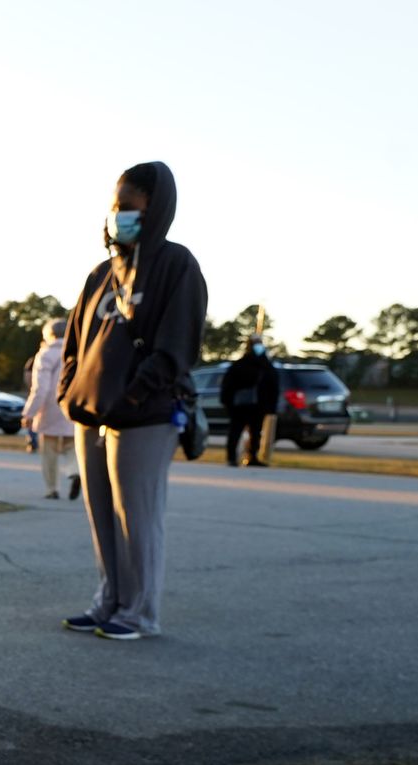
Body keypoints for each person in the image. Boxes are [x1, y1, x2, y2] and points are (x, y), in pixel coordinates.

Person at [58, 161, 207, 641]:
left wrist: (136, 394)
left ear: (155, 208)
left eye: (129, 206)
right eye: (114, 205)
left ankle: (139, 612)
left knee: (135, 518)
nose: (118, 214)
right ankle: (108, 602)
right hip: (91, 412)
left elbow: (177, 345)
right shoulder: (101, 273)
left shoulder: (175, 265)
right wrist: (68, 393)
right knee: (101, 515)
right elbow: (75, 342)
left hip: (143, 416)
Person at [22, 318, 81, 500]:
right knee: (72, 447)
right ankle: (74, 471)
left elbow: (41, 388)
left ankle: (52, 488)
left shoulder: (45, 354)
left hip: (50, 408)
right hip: (72, 404)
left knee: (49, 451)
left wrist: (29, 413)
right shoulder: (78, 352)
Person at [219, 335, 279, 466]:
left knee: (255, 432)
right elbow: (228, 385)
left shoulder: (265, 366)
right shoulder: (241, 365)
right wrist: (228, 402)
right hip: (241, 406)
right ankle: (231, 457)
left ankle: (252, 457)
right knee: (236, 431)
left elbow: (273, 386)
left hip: (258, 406)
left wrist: (271, 406)